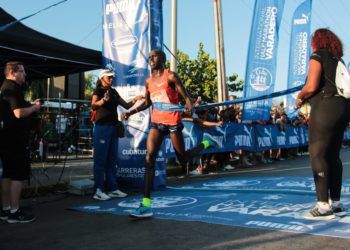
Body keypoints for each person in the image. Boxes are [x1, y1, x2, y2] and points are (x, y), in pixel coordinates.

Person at [123, 50, 216, 218]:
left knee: (183, 160)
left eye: (154, 56)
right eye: (149, 57)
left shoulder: (171, 76)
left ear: (162, 59)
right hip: (157, 123)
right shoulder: (148, 81)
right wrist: (131, 112)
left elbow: (186, 97)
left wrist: (189, 104)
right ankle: (146, 204)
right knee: (149, 158)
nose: (150, 58)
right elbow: (148, 102)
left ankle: (205, 143)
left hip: (173, 122)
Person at [295, 28, 350, 220]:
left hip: (326, 106)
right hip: (343, 107)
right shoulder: (338, 60)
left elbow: (311, 86)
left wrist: (300, 96)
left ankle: (323, 205)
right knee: (333, 155)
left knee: (317, 153)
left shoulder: (318, 55)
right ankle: (336, 202)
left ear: (317, 41)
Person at [91, 69, 143, 201]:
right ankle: (99, 190)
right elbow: (93, 105)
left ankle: (113, 188)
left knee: (112, 160)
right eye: (109, 77)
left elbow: (126, 105)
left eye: (112, 77)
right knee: (100, 160)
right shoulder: (98, 91)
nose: (111, 79)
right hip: (102, 128)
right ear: (102, 78)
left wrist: (136, 99)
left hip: (113, 128)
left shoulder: (113, 92)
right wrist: (103, 100)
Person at [0, 61, 41, 223]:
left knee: (8, 175)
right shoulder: (12, 88)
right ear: (13, 72)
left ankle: (6, 209)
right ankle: (15, 212)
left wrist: (29, 105)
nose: (25, 74)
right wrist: (35, 108)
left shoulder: (4, 87)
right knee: (17, 175)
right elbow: (18, 113)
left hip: (6, 138)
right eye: (22, 71)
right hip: (15, 139)